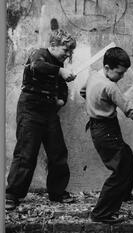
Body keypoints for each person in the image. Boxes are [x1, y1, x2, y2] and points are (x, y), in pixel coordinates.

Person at [80, 47, 133, 224]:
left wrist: (95, 106)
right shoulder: (109, 86)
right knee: (120, 171)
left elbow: (83, 92)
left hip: (98, 128)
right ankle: (101, 213)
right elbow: (129, 109)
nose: (122, 77)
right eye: (120, 73)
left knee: (126, 155)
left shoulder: (94, 75)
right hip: (105, 130)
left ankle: (123, 194)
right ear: (108, 67)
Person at [5, 29, 77, 211]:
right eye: (66, 50)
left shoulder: (57, 63)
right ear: (53, 45)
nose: (68, 55)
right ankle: (12, 194)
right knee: (26, 153)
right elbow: (37, 67)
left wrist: (61, 99)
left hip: (49, 112)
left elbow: (62, 89)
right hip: (30, 108)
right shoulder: (40, 55)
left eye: (70, 52)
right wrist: (60, 71)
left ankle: (57, 193)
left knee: (58, 152)